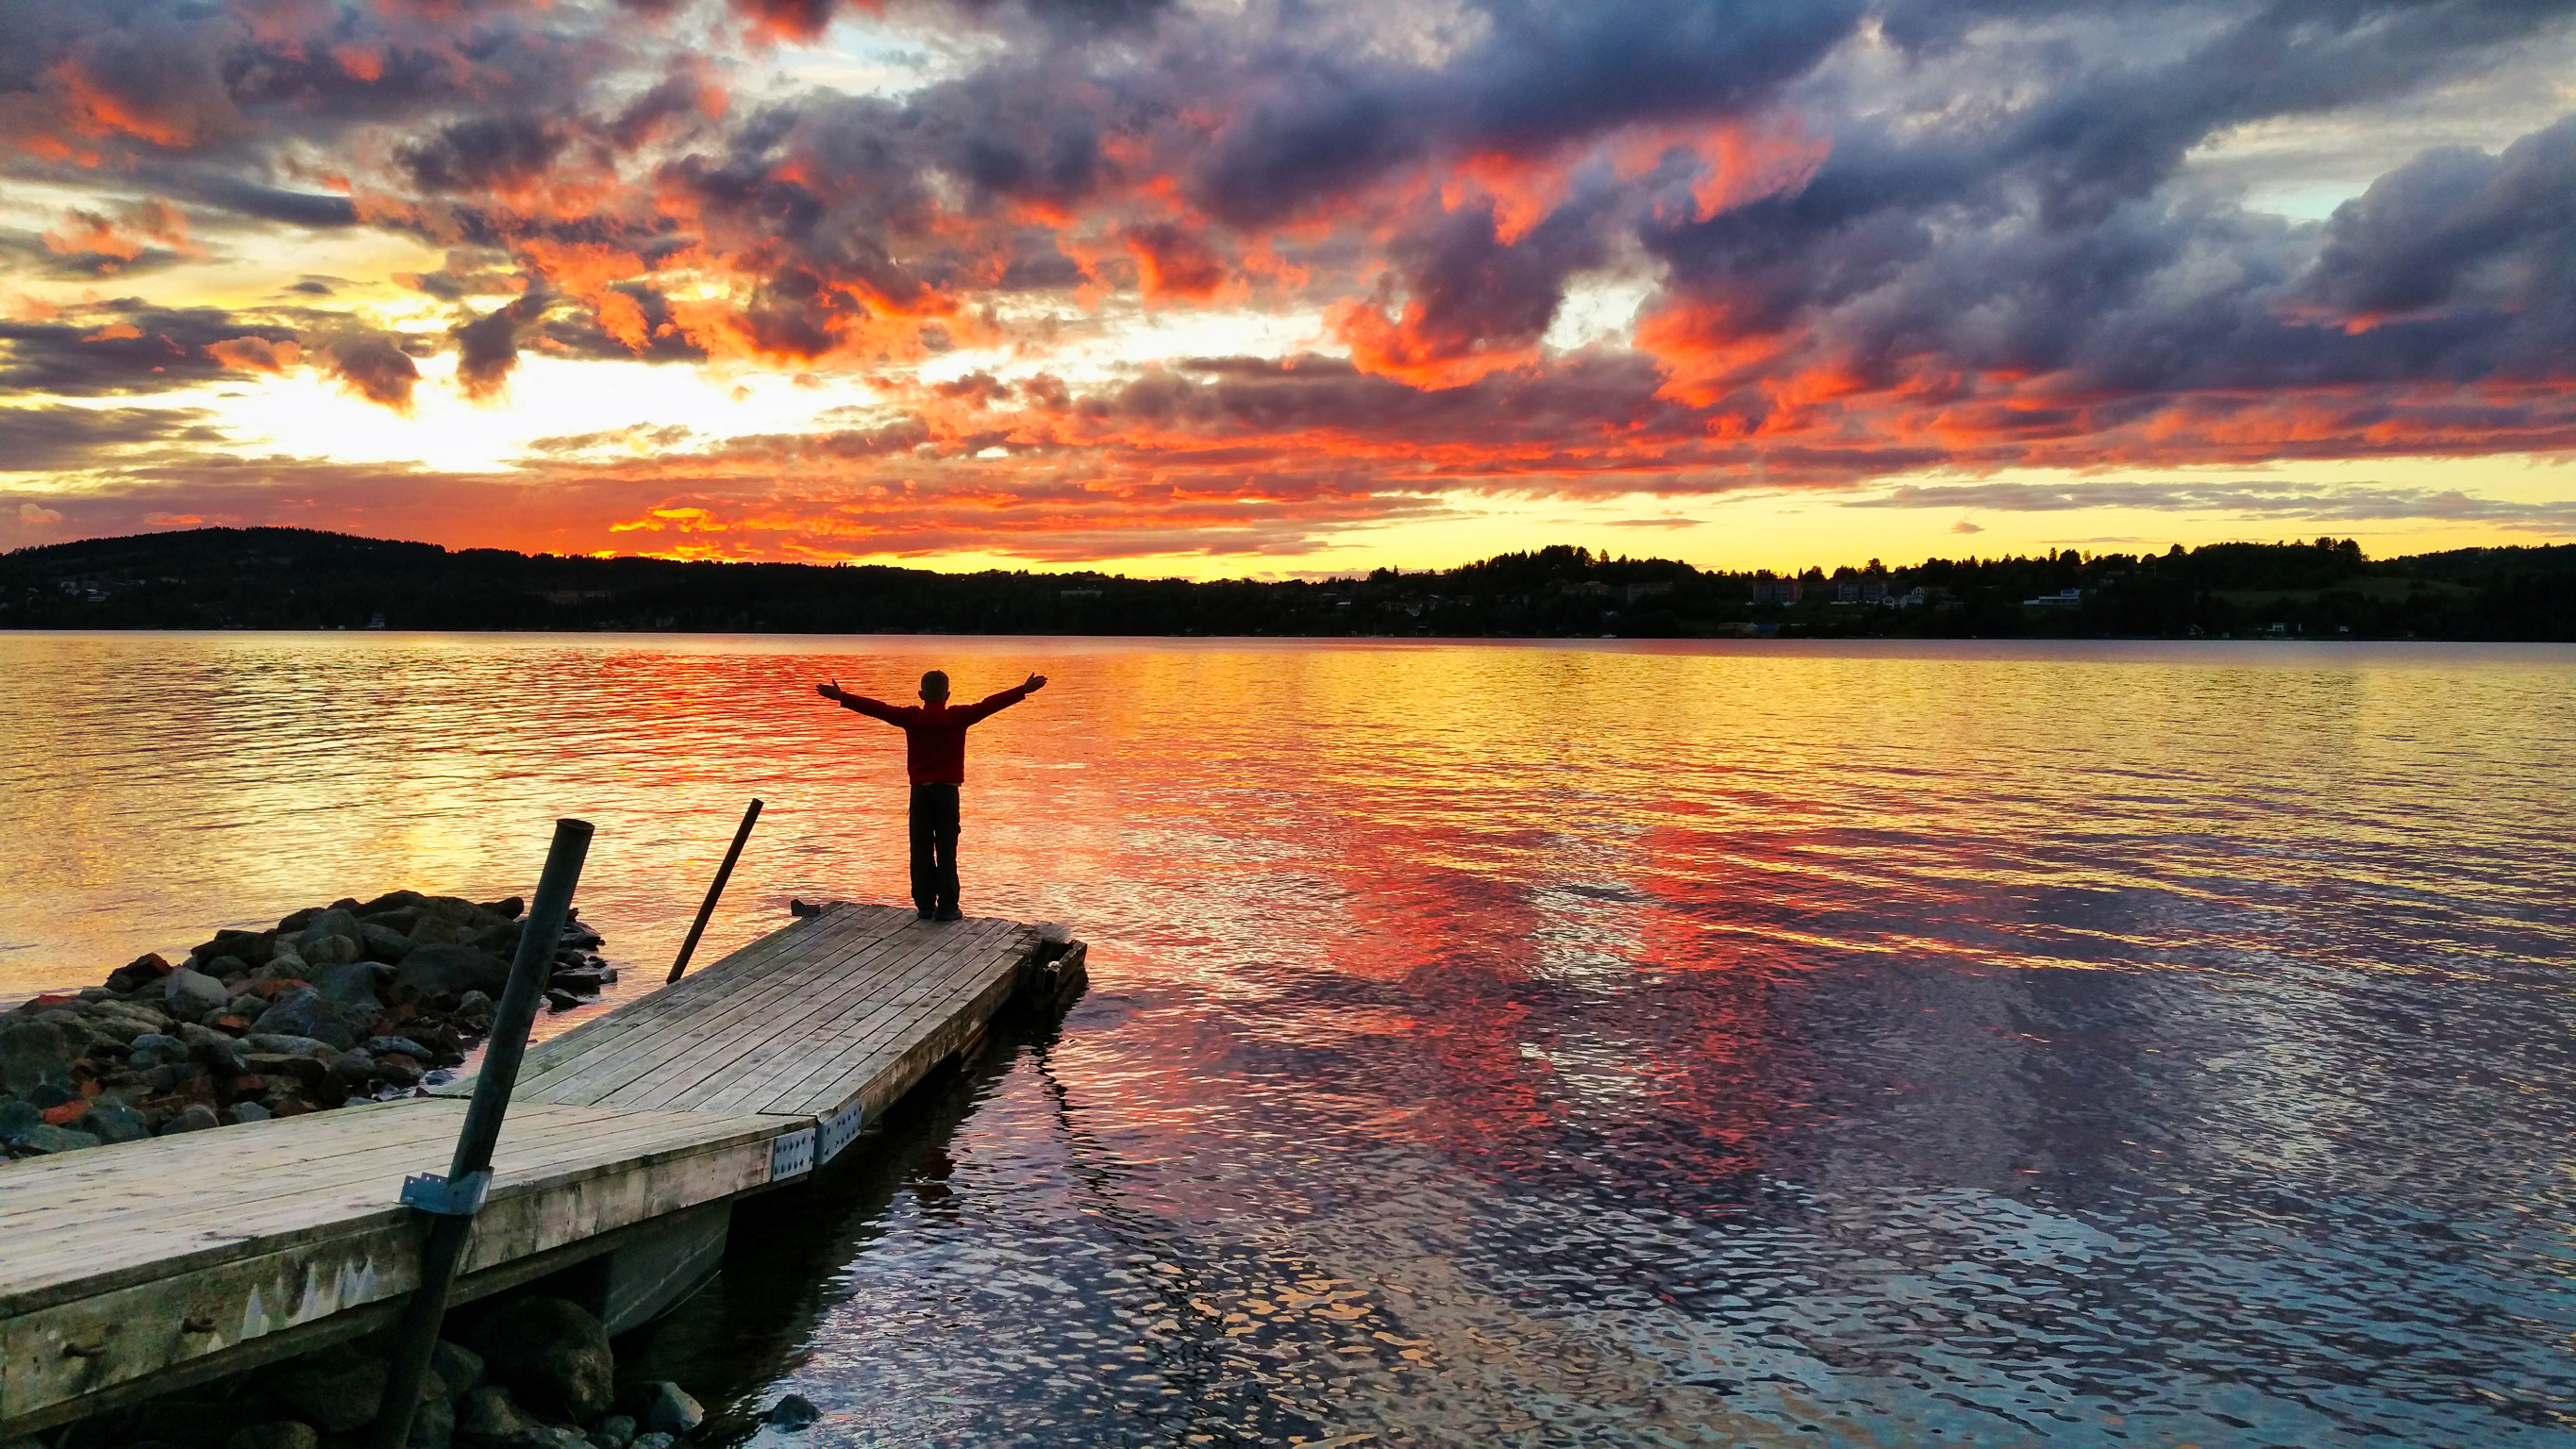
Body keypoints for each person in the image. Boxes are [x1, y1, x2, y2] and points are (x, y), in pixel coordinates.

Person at [816, 669, 1047, 921]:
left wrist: (843, 696)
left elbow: (879, 709)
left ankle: (925, 905)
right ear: (947, 695)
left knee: (921, 849)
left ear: (921, 694)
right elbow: (988, 705)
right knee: (947, 850)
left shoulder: (912, 717)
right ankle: (948, 908)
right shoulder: (958, 717)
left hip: (921, 795)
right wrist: (1022, 690)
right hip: (948, 794)